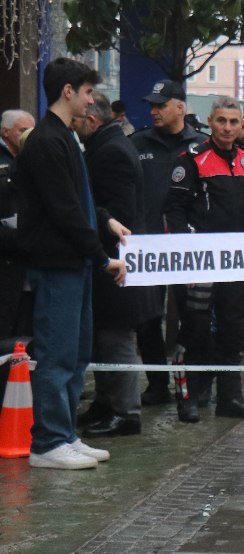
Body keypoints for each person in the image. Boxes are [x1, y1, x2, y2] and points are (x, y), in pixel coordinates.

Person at [15, 57, 129, 469]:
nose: (91, 101)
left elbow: (78, 201)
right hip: (58, 265)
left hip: (74, 265)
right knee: (58, 356)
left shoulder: (64, 138)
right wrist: (102, 259)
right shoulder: (47, 140)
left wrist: (107, 221)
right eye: (86, 92)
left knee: (77, 354)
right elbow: (63, 209)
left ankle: (64, 434)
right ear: (68, 91)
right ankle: (48, 442)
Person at [164, 96, 244, 422]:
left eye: (233, 122)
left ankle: (230, 398)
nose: (227, 127)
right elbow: (174, 211)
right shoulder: (192, 160)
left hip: (238, 264)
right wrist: (186, 259)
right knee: (194, 331)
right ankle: (190, 398)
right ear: (210, 122)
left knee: (232, 330)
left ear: (242, 125)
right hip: (200, 264)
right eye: (221, 121)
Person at [74, 92, 152, 438]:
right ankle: (107, 404)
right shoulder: (111, 146)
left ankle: (125, 412)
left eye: (77, 121)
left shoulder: (111, 152)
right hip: (110, 260)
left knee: (116, 337)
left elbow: (118, 210)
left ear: (92, 121)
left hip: (115, 262)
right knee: (104, 338)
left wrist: (103, 251)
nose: (74, 127)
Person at [130, 80, 208, 407]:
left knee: (194, 315)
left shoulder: (201, 145)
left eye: (161, 104)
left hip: (187, 246)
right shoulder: (136, 143)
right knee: (147, 318)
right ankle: (157, 382)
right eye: (152, 104)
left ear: (181, 107)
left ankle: (192, 383)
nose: (154, 110)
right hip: (147, 246)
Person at [0, 109, 34, 339]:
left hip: (26, 263)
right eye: (23, 130)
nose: (29, 135)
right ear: (6, 132)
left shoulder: (31, 157)